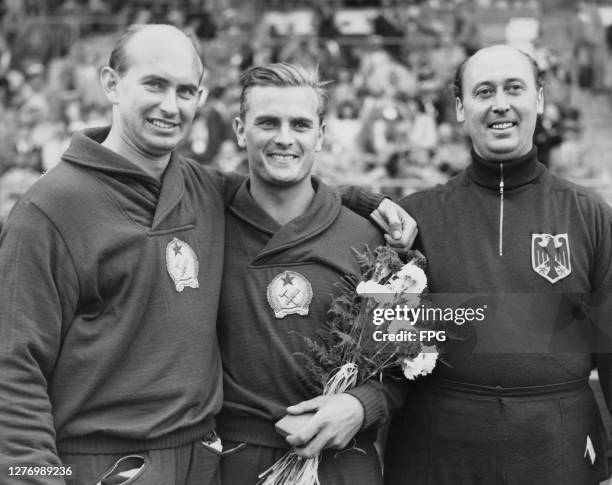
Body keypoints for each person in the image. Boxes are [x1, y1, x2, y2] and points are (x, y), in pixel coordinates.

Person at [0, 24, 415, 485]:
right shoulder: (47, 209)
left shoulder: (202, 189)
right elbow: (12, 367)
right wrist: (32, 476)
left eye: (184, 90)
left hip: (203, 461)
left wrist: (366, 201)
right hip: (104, 465)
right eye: (154, 84)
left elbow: (285, 185)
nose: (169, 105)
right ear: (111, 83)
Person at [385, 44, 612, 485]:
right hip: (437, 453)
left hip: (558, 450)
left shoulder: (591, 216)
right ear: (459, 107)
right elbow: (387, 347)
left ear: (539, 100)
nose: (500, 104)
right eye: (484, 91)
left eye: (514, 88)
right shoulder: (414, 218)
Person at [217, 63, 404, 484]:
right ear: (239, 129)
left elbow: (411, 361)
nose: (285, 137)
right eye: (267, 122)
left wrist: (363, 405)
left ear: (320, 134)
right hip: (231, 462)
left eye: (300, 124)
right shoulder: (206, 222)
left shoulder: (375, 239)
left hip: (343, 460)